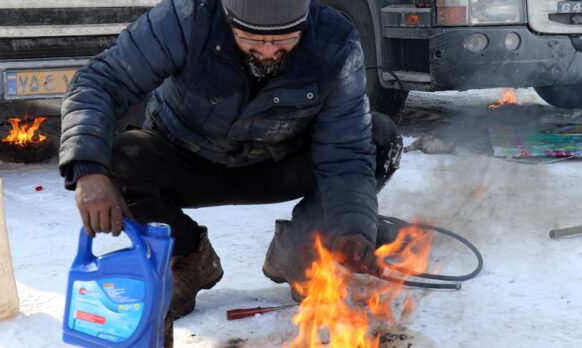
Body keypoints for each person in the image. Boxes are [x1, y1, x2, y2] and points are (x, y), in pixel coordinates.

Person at [59, 0, 402, 324]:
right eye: (252, 38)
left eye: (284, 40)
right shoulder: (187, 19)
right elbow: (100, 82)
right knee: (120, 159)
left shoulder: (334, 42)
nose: (268, 51)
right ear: (228, 19)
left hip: (278, 162)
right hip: (188, 158)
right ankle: (188, 255)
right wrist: (87, 169)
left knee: (378, 140)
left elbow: (346, 153)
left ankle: (300, 247)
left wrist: (352, 231)